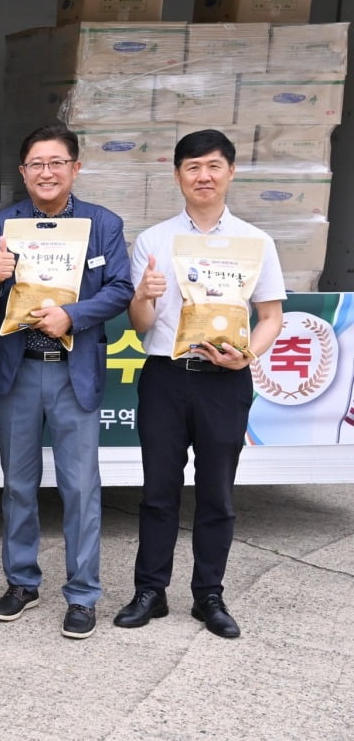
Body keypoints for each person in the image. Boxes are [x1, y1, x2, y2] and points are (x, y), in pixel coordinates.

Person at [115, 129, 285, 639]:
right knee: (158, 492)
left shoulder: (256, 242)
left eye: (213, 166)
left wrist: (247, 356)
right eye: (192, 167)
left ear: (230, 172)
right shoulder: (154, 240)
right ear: (177, 176)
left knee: (217, 494)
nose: (203, 176)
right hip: (166, 378)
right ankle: (151, 590)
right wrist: (143, 295)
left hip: (224, 383)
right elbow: (140, 324)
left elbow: (272, 316)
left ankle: (209, 595)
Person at [0, 123, 133, 640]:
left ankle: (83, 594)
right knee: (18, 485)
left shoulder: (103, 224)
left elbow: (121, 289)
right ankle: (21, 582)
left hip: (74, 371)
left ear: (75, 168)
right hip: (20, 369)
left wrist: (74, 314)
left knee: (81, 488)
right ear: (23, 172)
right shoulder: (3, 222)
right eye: (36, 164)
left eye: (56, 162)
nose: (46, 172)